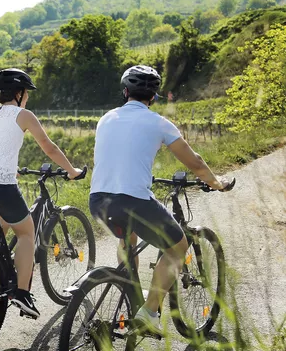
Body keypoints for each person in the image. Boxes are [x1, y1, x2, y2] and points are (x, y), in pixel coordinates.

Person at [89, 65, 233, 335]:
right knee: (178, 246)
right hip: (133, 201)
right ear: (153, 97)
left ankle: (131, 295)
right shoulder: (159, 123)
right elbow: (196, 163)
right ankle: (149, 312)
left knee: (127, 239)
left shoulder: (106, 118)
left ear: (125, 92)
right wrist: (218, 184)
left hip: (98, 201)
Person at [0, 68, 83, 319]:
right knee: (27, 233)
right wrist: (71, 170)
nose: (26, 98)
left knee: (4, 225)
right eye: (26, 93)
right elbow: (49, 147)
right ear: (19, 93)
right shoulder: (24, 115)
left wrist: (10, 168)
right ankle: (20, 293)